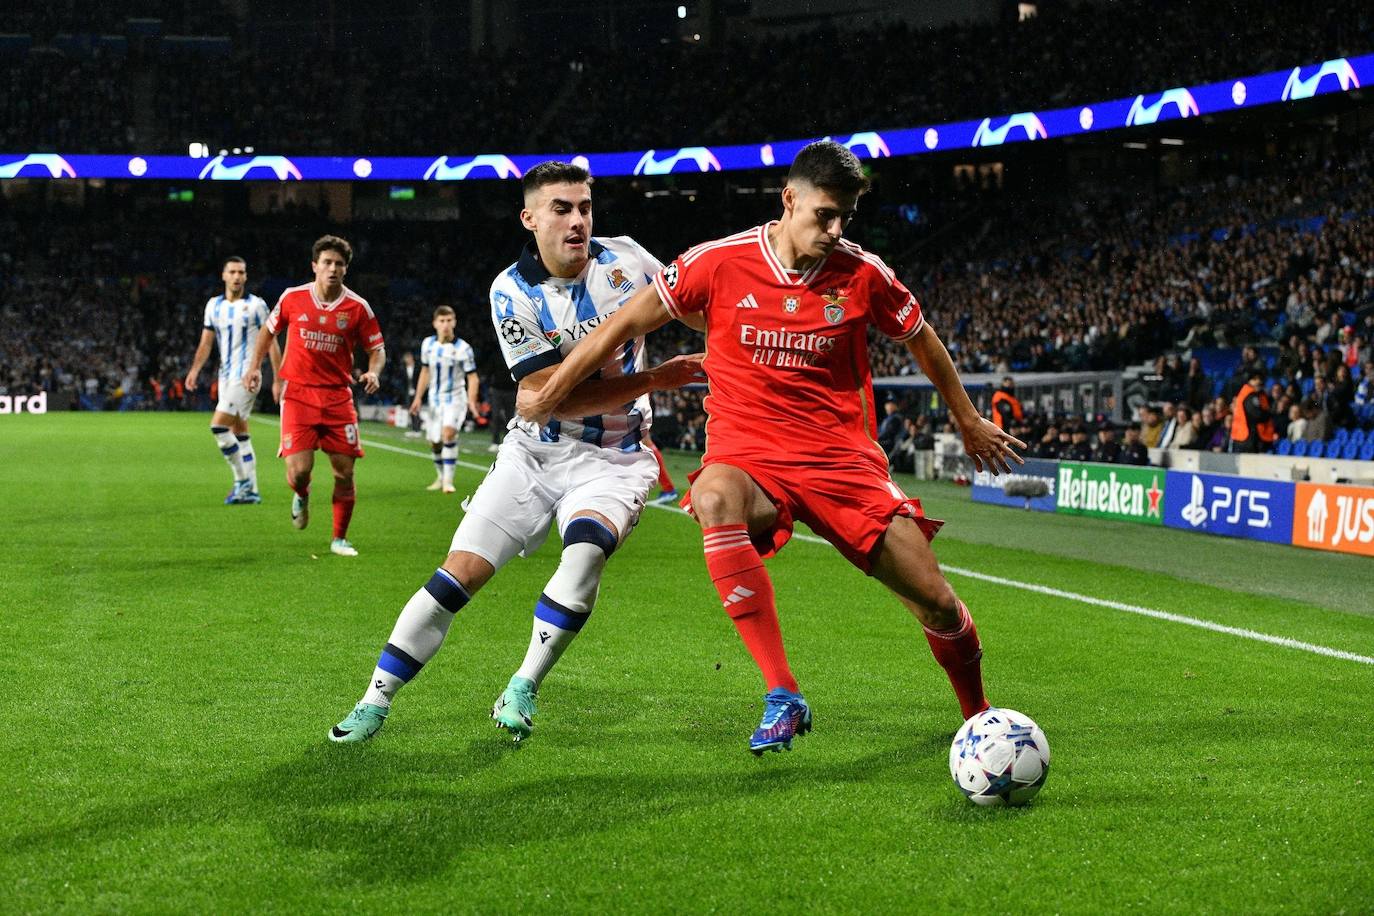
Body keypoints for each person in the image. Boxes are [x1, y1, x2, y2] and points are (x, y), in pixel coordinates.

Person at [519, 141, 1025, 755]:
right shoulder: (719, 262)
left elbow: (922, 338)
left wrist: (968, 419)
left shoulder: (863, 273)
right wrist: (552, 393)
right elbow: (622, 326)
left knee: (938, 603)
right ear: (788, 200)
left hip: (841, 461)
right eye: (824, 215)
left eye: (845, 218)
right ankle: (782, 692)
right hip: (749, 454)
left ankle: (978, 717)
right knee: (713, 495)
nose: (835, 230)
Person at [328, 161, 704, 744]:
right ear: (529, 218)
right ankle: (373, 700)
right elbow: (553, 401)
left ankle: (524, 683)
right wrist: (656, 379)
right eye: (561, 209)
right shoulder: (512, 292)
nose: (577, 220)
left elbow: (700, 311)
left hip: (617, 457)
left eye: (584, 207)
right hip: (535, 455)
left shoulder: (628, 258)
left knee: (585, 554)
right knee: (459, 577)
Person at [243, 235, 385, 557]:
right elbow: (268, 330)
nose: (332, 269)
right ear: (315, 266)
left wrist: (374, 371)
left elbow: (377, 349)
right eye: (327, 263)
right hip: (298, 395)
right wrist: (255, 367)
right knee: (299, 470)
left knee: (344, 472)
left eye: (339, 264)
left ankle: (339, 538)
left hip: (338, 397)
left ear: (345, 269)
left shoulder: (358, 307)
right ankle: (302, 493)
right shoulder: (293, 298)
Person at [184, 256, 281, 504]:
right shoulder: (213, 306)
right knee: (240, 433)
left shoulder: (257, 306)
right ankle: (252, 490)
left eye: (241, 272)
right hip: (226, 377)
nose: (237, 276)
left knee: (218, 427)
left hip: (248, 376)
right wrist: (195, 370)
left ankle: (242, 482)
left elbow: (271, 342)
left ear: (246, 277)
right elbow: (206, 343)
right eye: (233, 272)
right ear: (224, 275)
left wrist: (278, 379)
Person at [411, 305, 480, 493]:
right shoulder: (428, 344)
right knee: (434, 441)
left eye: (449, 320)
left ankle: (448, 481)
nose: (446, 325)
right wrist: (418, 397)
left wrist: (472, 400)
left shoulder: (463, 348)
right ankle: (440, 477)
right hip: (434, 399)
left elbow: (472, 377)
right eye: (442, 321)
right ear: (435, 323)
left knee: (448, 433)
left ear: (454, 322)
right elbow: (425, 371)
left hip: (455, 398)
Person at [1230, 369, 1275, 453]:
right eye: (1255, 379)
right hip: (1246, 438)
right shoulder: (1250, 395)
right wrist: (1269, 414)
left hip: (1244, 436)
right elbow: (1256, 415)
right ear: (1249, 380)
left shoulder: (1257, 394)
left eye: (1260, 379)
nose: (1258, 382)